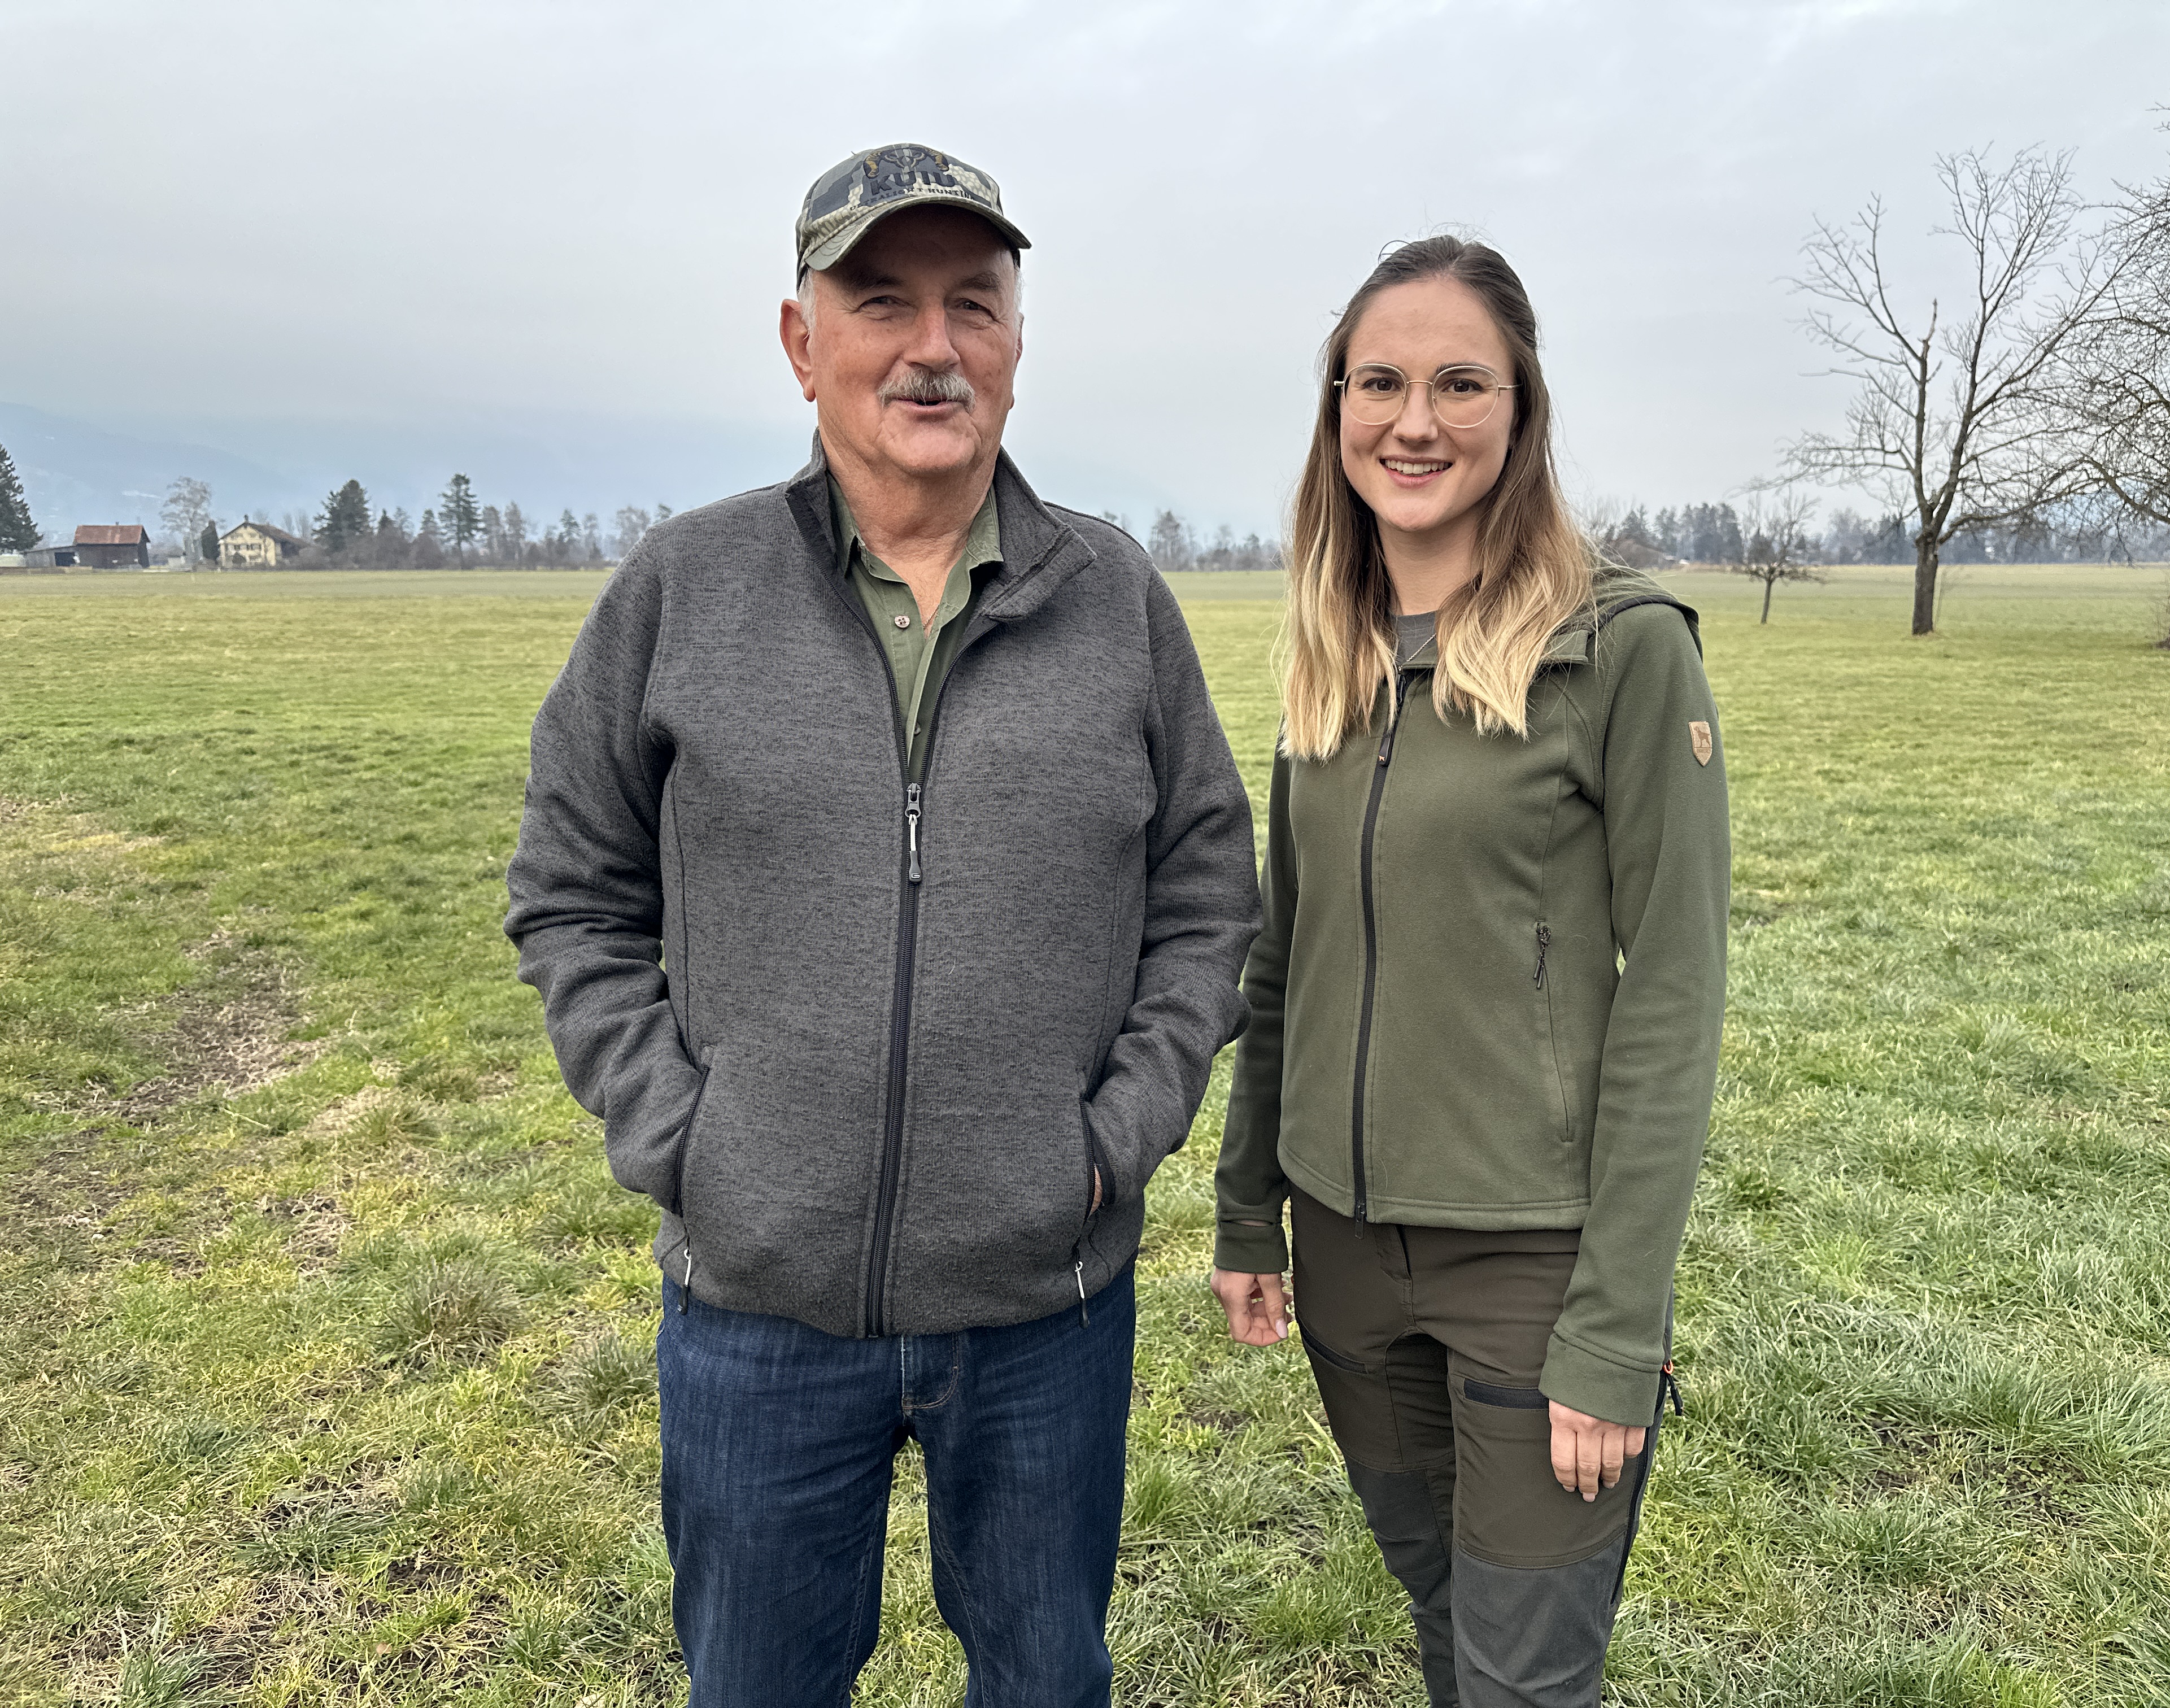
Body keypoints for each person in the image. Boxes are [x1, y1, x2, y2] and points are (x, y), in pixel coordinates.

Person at [506, 143, 1260, 1707]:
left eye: (973, 304)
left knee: (1046, 1679)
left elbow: (1207, 899)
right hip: (758, 1305)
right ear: (801, 343)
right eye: (883, 302)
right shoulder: (681, 590)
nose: (933, 346)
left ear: (1017, 341)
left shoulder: (1116, 601)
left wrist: (1111, 1140)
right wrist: (688, 1140)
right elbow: (572, 889)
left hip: (1042, 1305)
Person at [1210, 236, 1729, 1707]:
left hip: (1532, 1273)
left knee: (1522, 1679)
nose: (1413, 420)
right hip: (1350, 1272)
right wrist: (1253, 1211)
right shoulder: (1332, 657)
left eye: (1458, 383)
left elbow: (1676, 994)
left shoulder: (1622, 649)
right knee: (1446, 1623)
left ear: (1522, 410)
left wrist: (1617, 1328)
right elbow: (1277, 967)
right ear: (1336, 411)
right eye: (1377, 382)